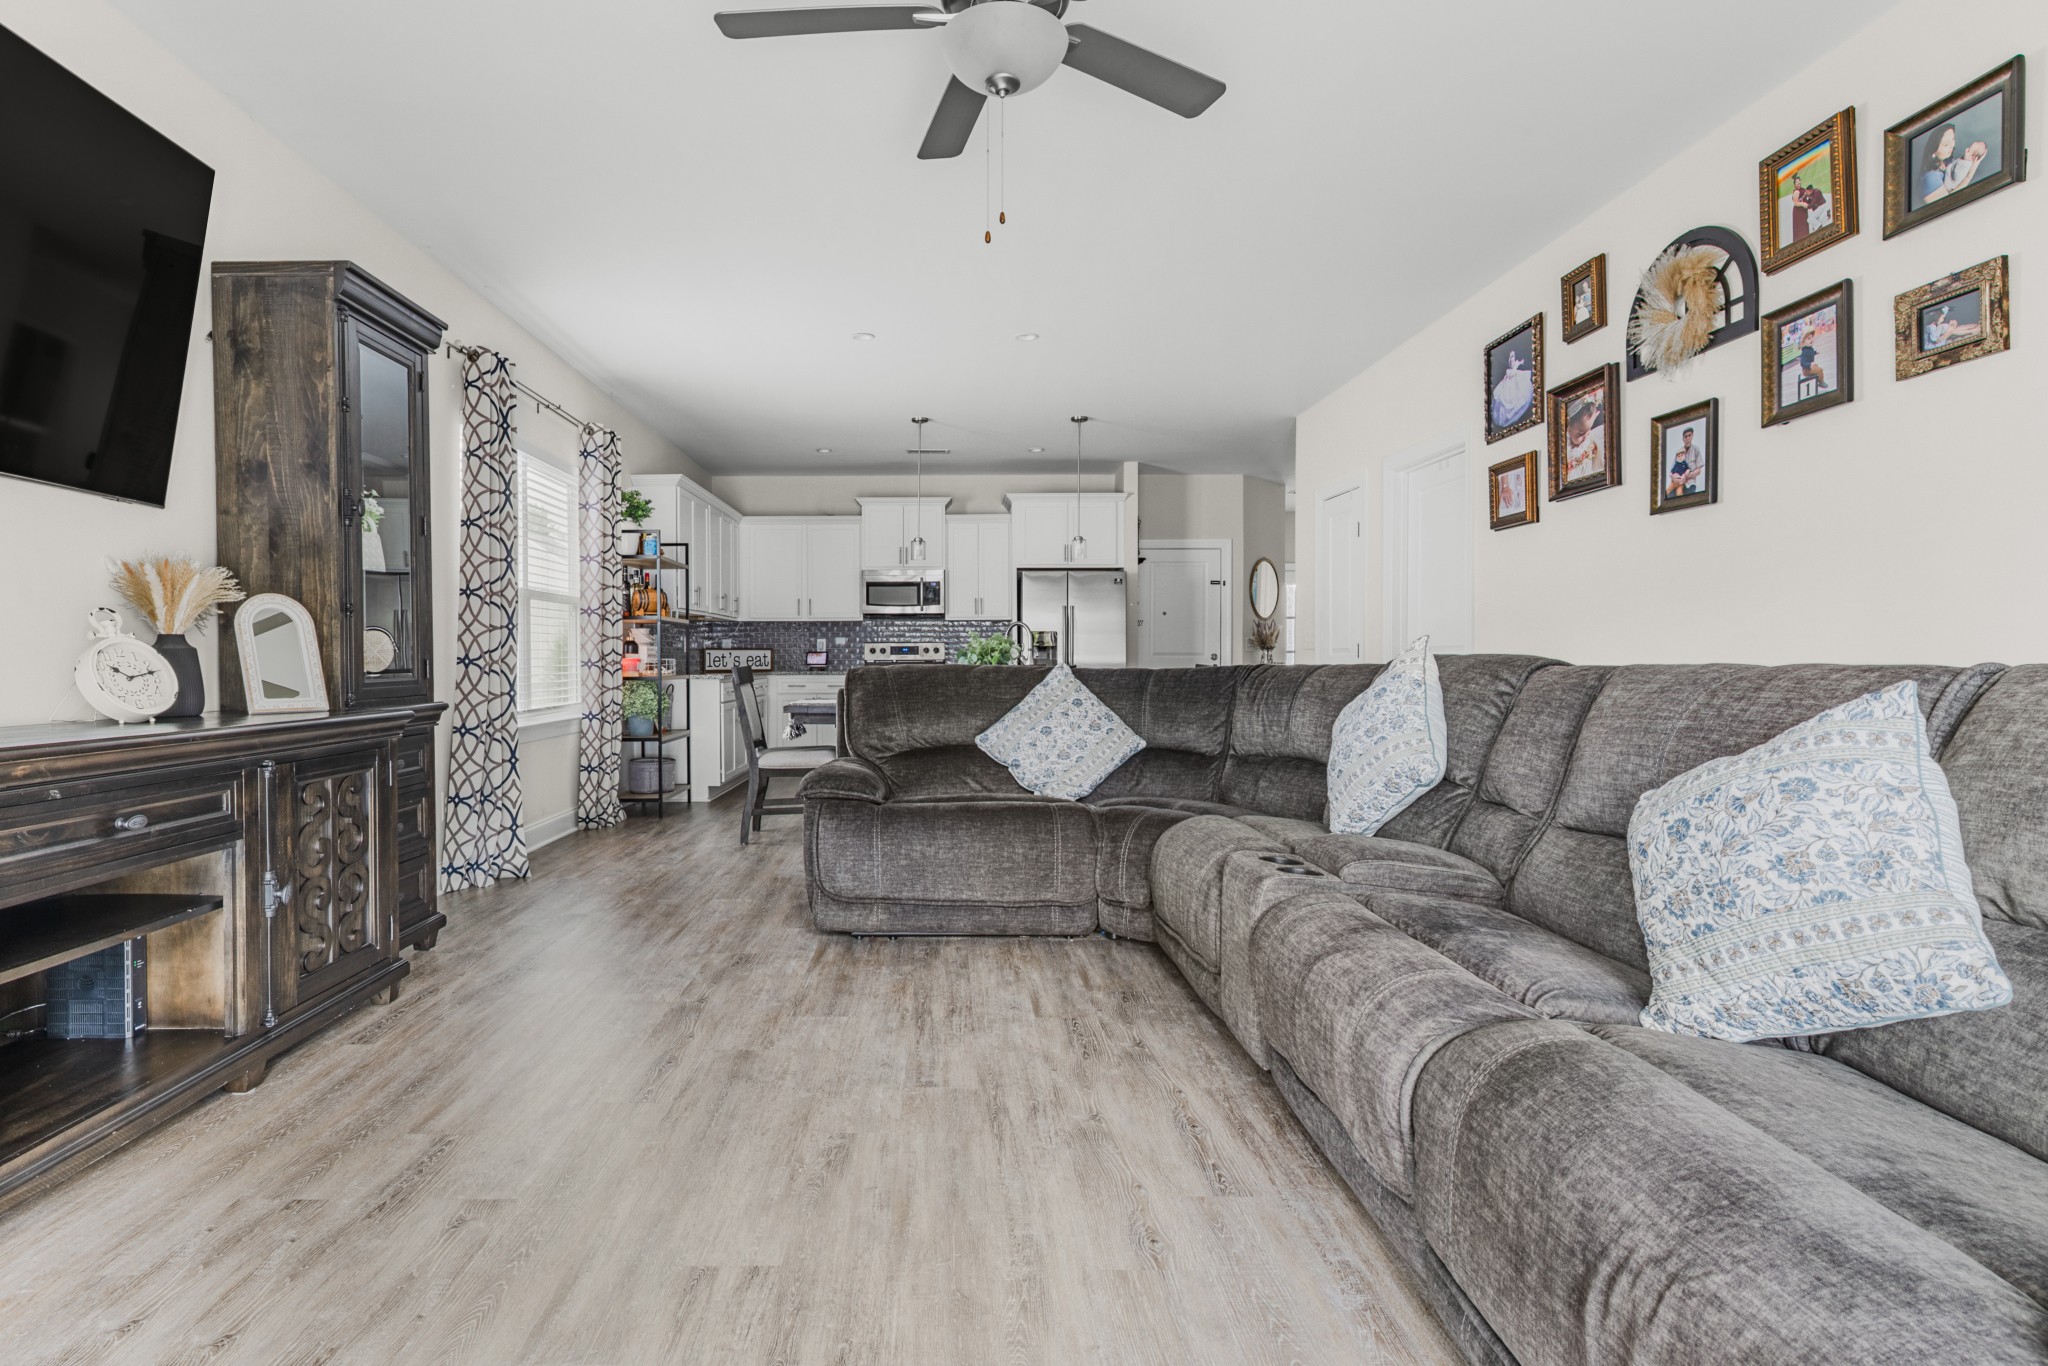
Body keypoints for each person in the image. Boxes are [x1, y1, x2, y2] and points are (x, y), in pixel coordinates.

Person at [1919, 124, 1991, 205]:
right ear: (1933, 150)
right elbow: (1947, 204)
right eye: (1946, 144)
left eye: (1953, 139)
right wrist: (1969, 176)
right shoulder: (1931, 178)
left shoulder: (1946, 160)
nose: (1952, 145)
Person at [1491, 348, 1534, 429]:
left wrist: (1519, 363)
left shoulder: (1515, 367)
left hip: (1516, 382)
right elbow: (1510, 374)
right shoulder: (1509, 371)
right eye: (1510, 357)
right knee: (1503, 398)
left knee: (1520, 394)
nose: (1511, 359)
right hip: (1508, 385)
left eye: (1513, 356)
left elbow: (1515, 370)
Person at [1564, 400, 1602, 482]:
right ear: (1568, 426)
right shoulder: (1565, 447)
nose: (1585, 437)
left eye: (1588, 431)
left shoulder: (1591, 439)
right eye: (1580, 433)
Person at [1666, 429, 1702, 498]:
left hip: (1689, 483)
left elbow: (1699, 471)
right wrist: (1673, 478)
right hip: (1677, 482)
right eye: (1685, 436)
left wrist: (1686, 477)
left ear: (1692, 436)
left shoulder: (1696, 449)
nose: (1688, 438)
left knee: (1687, 500)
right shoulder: (1679, 452)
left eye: (1689, 435)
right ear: (1683, 439)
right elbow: (1671, 471)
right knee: (1668, 497)